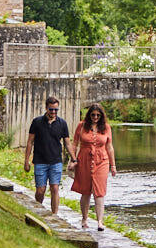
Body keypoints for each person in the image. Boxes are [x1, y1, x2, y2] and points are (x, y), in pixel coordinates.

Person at [69, 103, 117, 231]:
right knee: (85, 191)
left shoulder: (106, 127)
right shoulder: (82, 125)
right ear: (89, 115)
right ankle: (84, 219)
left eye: (98, 115)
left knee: (99, 192)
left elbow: (109, 147)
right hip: (84, 160)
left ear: (101, 116)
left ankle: (100, 221)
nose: (95, 117)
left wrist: (113, 165)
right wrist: (72, 160)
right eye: (93, 115)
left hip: (101, 160)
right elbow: (74, 144)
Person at [22, 96, 69, 215]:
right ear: (46, 108)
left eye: (56, 110)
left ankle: (55, 215)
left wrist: (74, 159)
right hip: (40, 161)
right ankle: (39, 210)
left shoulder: (62, 123)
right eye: (51, 109)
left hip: (56, 161)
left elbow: (67, 143)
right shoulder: (37, 122)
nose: (53, 112)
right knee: (40, 190)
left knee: (54, 188)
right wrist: (26, 161)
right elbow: (30, 142)